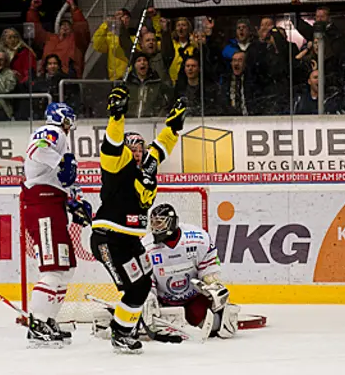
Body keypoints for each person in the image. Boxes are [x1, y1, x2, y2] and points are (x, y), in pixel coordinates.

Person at [89, 85, 187, 353]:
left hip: (131, 241)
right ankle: (120, 332)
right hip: (108, 239)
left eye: (139, 147)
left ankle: (125, 327)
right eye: (131, 147)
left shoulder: (148, 165)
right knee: (132, 289)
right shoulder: (116, 165)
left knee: (143, 285)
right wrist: (117, 115)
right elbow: (111, 144)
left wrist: (174, 128)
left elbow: (161, 147)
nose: (137, 151)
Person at [20, 102, 92, 348]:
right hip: (42, 205)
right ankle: (38, 323)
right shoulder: (52, 131)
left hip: (53, 204)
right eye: (70, 121)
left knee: (65, 267)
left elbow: (62, 179)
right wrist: (61, 162)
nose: (71, 127)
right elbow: (37, 150)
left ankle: (48, 319)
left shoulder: (62, 139)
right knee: (52, 268)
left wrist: (76, 201)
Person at [141, 203, 239, 341]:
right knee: (144, 326)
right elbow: (145, 278)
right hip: (163, 303)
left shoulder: (198, 238)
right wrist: (148, 296)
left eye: (160, 223)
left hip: (193, 298)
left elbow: (209, 268)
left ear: (172, 222)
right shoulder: (146, 246)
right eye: (153, 223)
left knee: (215, 326)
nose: (156, 228)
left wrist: (212, 284)